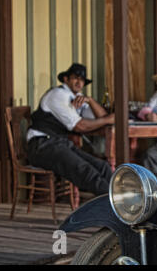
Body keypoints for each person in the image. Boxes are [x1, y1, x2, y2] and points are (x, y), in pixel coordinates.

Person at [26, 63, 115, 196]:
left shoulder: (76, 97)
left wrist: (90, 100)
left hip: (59, 143)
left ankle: (118, 200)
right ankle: (115, 205)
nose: (79, 82)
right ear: (66, 79)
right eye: (76, 78)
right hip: (41, 145)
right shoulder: (58, 95)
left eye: (82, 80)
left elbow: (102, 117)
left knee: (103, 167)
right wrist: (108, 120)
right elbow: (80, 126)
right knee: (86, 171)